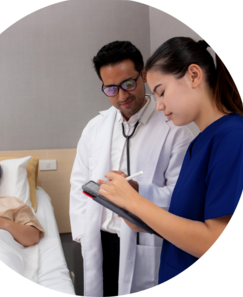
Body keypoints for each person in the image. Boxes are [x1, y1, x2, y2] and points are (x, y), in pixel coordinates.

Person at [98, 37, 243, 285]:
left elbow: (215, 242)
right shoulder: (199, 143)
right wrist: (139, 220)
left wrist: (135, 203)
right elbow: (186, 220)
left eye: (161, 92)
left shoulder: (233, 137)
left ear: (193, 75)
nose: (159, 106)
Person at [70, 41, 194, 296]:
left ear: (144, 75)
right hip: (99, 240)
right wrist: (84, 235)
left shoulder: (176, 129)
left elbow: (182, 196)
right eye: (111, 88)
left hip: (146, 241)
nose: (122, 95)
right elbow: (78, 183)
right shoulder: (95, 127)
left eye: (129, 83)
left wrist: (138, 191)